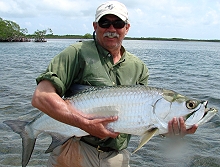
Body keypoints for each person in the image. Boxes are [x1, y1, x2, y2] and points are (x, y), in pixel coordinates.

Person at [31, 1, 198, 167]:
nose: (111, 29)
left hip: (117, 158)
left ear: (127, 28)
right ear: (95, 26)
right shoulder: (76, 53)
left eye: (118, 23)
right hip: (75, 151)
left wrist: (170, 130)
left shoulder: (138, 67)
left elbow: (145, 122)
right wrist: (85, 125)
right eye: (105, 23)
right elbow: (41, 97)